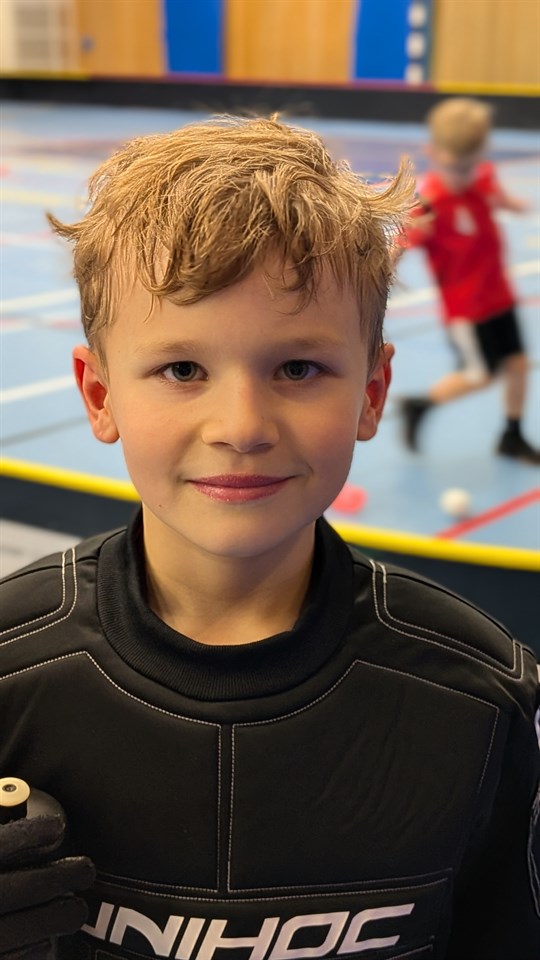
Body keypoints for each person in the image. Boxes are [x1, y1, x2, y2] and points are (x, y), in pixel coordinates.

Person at [0, 116, 538, 960]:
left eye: (297, 368)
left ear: (371, 392)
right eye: (183, 370)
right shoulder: (9, 667)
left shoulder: (482, 698)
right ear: (99, 394)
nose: (242, 427)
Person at [398, 96, 539, 463]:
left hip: (500, 295)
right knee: (481, 375)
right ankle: (420, 405)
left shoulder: (485, 178)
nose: (462, 176)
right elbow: (399, 247)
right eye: (453, 168)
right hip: (467, 310)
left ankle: (512, 436)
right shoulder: (428, 207)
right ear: (432, 153)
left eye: (469, 167)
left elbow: (498, 197)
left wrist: (514, 205)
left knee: (518, 365)